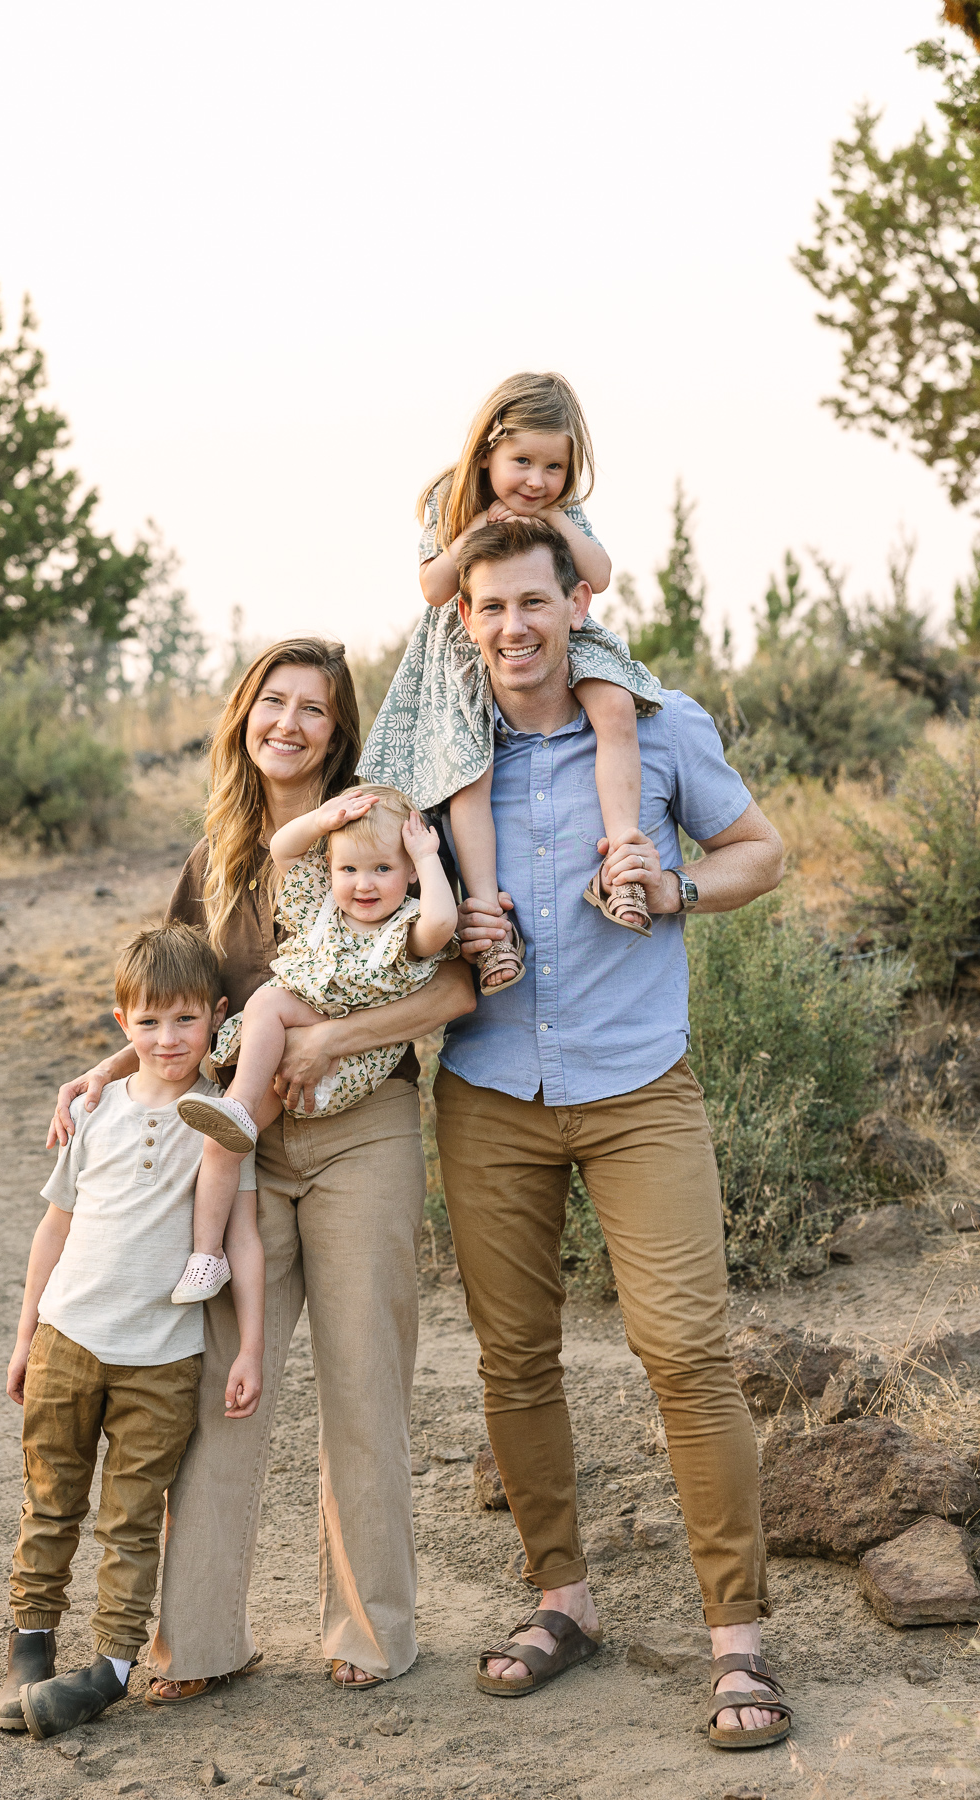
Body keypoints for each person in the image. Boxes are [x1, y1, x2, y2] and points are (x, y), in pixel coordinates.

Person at [48, 638, 476, 1696]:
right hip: (237, 1155)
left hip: (360, 1128)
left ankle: (369, 1633)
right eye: (273, 702)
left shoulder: (378, 827)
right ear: (245, 715)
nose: (290, 723)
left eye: (315, 709)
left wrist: (332, 1040)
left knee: (363, 1382)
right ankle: (194, 1643)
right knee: (217, 1389)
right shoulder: (222, 852)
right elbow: (175, 999)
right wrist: (101, 1071)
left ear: (340, 730)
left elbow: (462, 987)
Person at [431, 517, 794, 1752]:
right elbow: (388, 902)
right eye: (490, 609)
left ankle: (738, 1637)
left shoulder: (658, 725)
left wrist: (679, 888)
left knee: (686, 1353)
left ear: (572, 603)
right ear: (464, 619)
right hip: (487, 1093)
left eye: (534, 603)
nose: (514, 629)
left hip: (641, 1086)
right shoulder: (448, 749)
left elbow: (761, 851)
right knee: (513, 1360)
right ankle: (561, 1600)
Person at [0, 924, 262, 1741]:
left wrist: (248, 1343)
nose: (168, 1039)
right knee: (51, 1499)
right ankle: (29, 1642)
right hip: (69, 1338)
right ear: (122, 1024)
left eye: (185, 1020)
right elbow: (54, 1228)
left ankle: (108, 1666)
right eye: (149, 1023)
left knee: (133, 1517)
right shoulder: (94, 1109)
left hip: (164, 1358)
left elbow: (241, 1237)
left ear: (216, 1019)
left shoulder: (220, 1120)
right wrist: (23, 1334)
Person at [358, 370, 663, 992]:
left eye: (554, 467)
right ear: (487, 451)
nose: (536, 480)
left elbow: (598, 575)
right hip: (469, 647)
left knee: (614, 708)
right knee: (471, 767)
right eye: (522, 460)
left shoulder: (560, 507)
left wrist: (557, 517)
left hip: (560, 639)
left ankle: (624, 859)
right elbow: (435, 587)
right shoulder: (453, 497)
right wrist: (477, 529)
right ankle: (489, 916)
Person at [171, 783, 459, 1304]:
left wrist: (425, 856)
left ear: (409, 873)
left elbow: (442, 923)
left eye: (382, 869)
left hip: (345, 1059)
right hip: (287, 1060)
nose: (363, 885)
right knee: (221, 1145)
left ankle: (237, 1102)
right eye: (348, 870)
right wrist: (323, 821)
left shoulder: (404, 929)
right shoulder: (320, 909)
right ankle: (207, 1255)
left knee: (267, 1001)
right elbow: (284, 848)